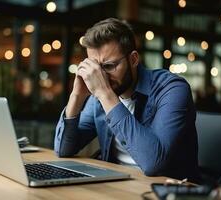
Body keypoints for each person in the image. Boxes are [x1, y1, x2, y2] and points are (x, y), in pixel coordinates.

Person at [54, 18, 199, 181]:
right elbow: (64, 149)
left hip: (167, 189)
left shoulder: (172, 89)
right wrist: (76, 96)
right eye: (96, 68)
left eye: (108, 66)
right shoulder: (99, 95)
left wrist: (105, 94)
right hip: (116, 183)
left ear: (133, 59)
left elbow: (154, 164)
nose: (100, 76)